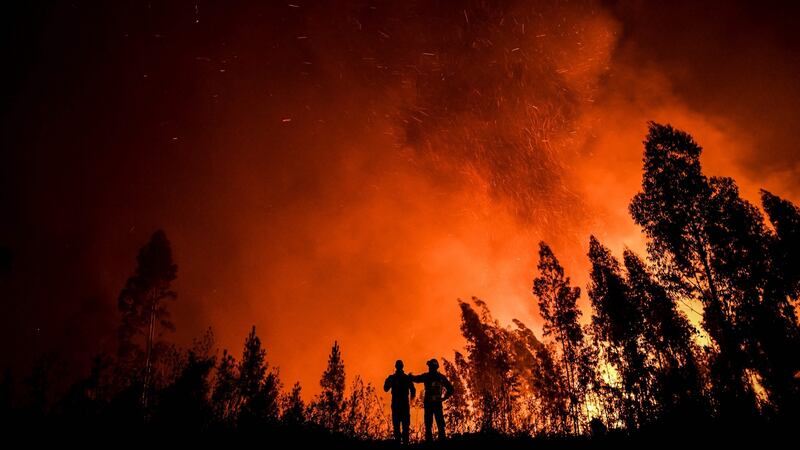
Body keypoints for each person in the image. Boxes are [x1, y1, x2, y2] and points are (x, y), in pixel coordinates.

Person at [410, 358, 454, 442]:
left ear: (432, 367)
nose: (429, 368)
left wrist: (410, 377)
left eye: (429, 366)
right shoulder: (441, 377)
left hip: (429, 404)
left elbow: (417, 379)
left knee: (428, 424)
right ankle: (442, 440)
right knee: (440, 424)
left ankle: (429, 442)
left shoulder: (427, 376)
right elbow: (451, 389)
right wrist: (444, 398)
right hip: (437, 403)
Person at [383, 360, 415, 445]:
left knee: (397, 427)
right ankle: (405, 444)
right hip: (404, 406)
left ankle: (398, 444)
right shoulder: (406, 378)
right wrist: (411, 400)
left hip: (396, 406)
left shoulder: (392, 378)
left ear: (395, 367)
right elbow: (413, 391)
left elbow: (385, 388)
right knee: (405, 427)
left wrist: (389, 380)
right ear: (402, 366)